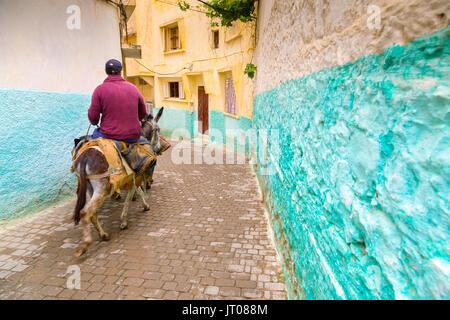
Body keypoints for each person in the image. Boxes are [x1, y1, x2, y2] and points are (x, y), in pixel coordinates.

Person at [88, 59, 147, 142]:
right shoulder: (134, 88)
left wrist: (94, 120)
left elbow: (93, 119)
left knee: (91, 137)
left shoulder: (99, 90)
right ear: (120, 71)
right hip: (133, 136)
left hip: (108, 135)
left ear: (106, 72)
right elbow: (143, 113)